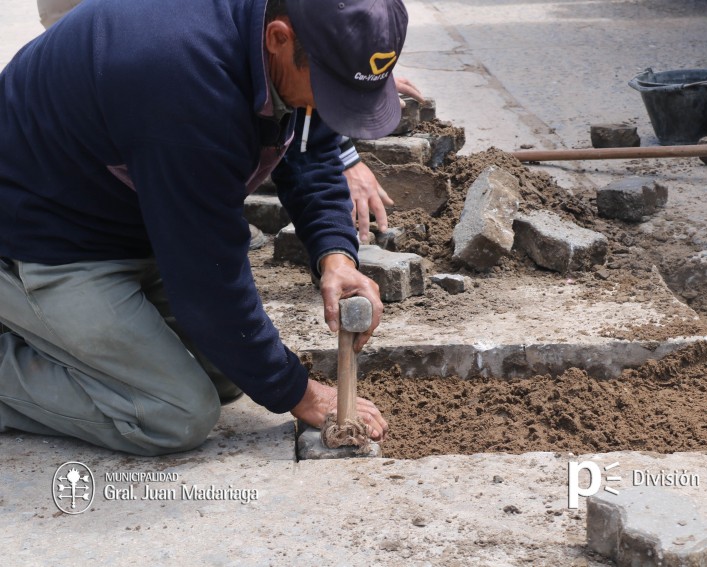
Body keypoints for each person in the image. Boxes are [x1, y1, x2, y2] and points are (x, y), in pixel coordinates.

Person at [0, 0, 407, 455]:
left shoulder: (291, 43)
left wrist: (336, 257)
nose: (327, 104)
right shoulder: (183, 80)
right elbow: (206, 278)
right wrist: (299, 393)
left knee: (227, 376)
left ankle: (46, 334)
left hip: (130, 221)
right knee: (173, 412)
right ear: (278, 38)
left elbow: (310, 149)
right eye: (330, 90)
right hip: (40, 238)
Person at [35, 0, 425, 245]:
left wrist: (348, 71)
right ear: (280, 37)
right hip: (44, 226)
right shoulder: (181, 68)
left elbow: (309, 139)